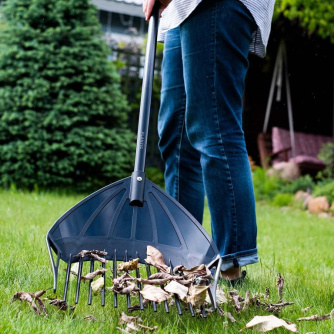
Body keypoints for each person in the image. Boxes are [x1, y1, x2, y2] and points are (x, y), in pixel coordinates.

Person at [143, 0, 275, 283]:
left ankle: (230, 265)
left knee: (214, 125)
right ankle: (181, 257)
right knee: (174, 135)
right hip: (182, 10)